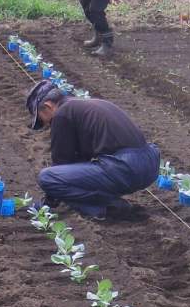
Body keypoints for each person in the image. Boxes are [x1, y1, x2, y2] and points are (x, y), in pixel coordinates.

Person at [26, 79, 158, 221]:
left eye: (42, 120)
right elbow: (80, 161)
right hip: (150, 164)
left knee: (48, 177)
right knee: (83, 174)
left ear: (47, 106)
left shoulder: (62, 114)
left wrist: (49, 202)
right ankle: (110, 201)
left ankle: (107, 208)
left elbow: (62, 162)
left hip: (125, 167)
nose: (46, 124)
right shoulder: (85, 106)